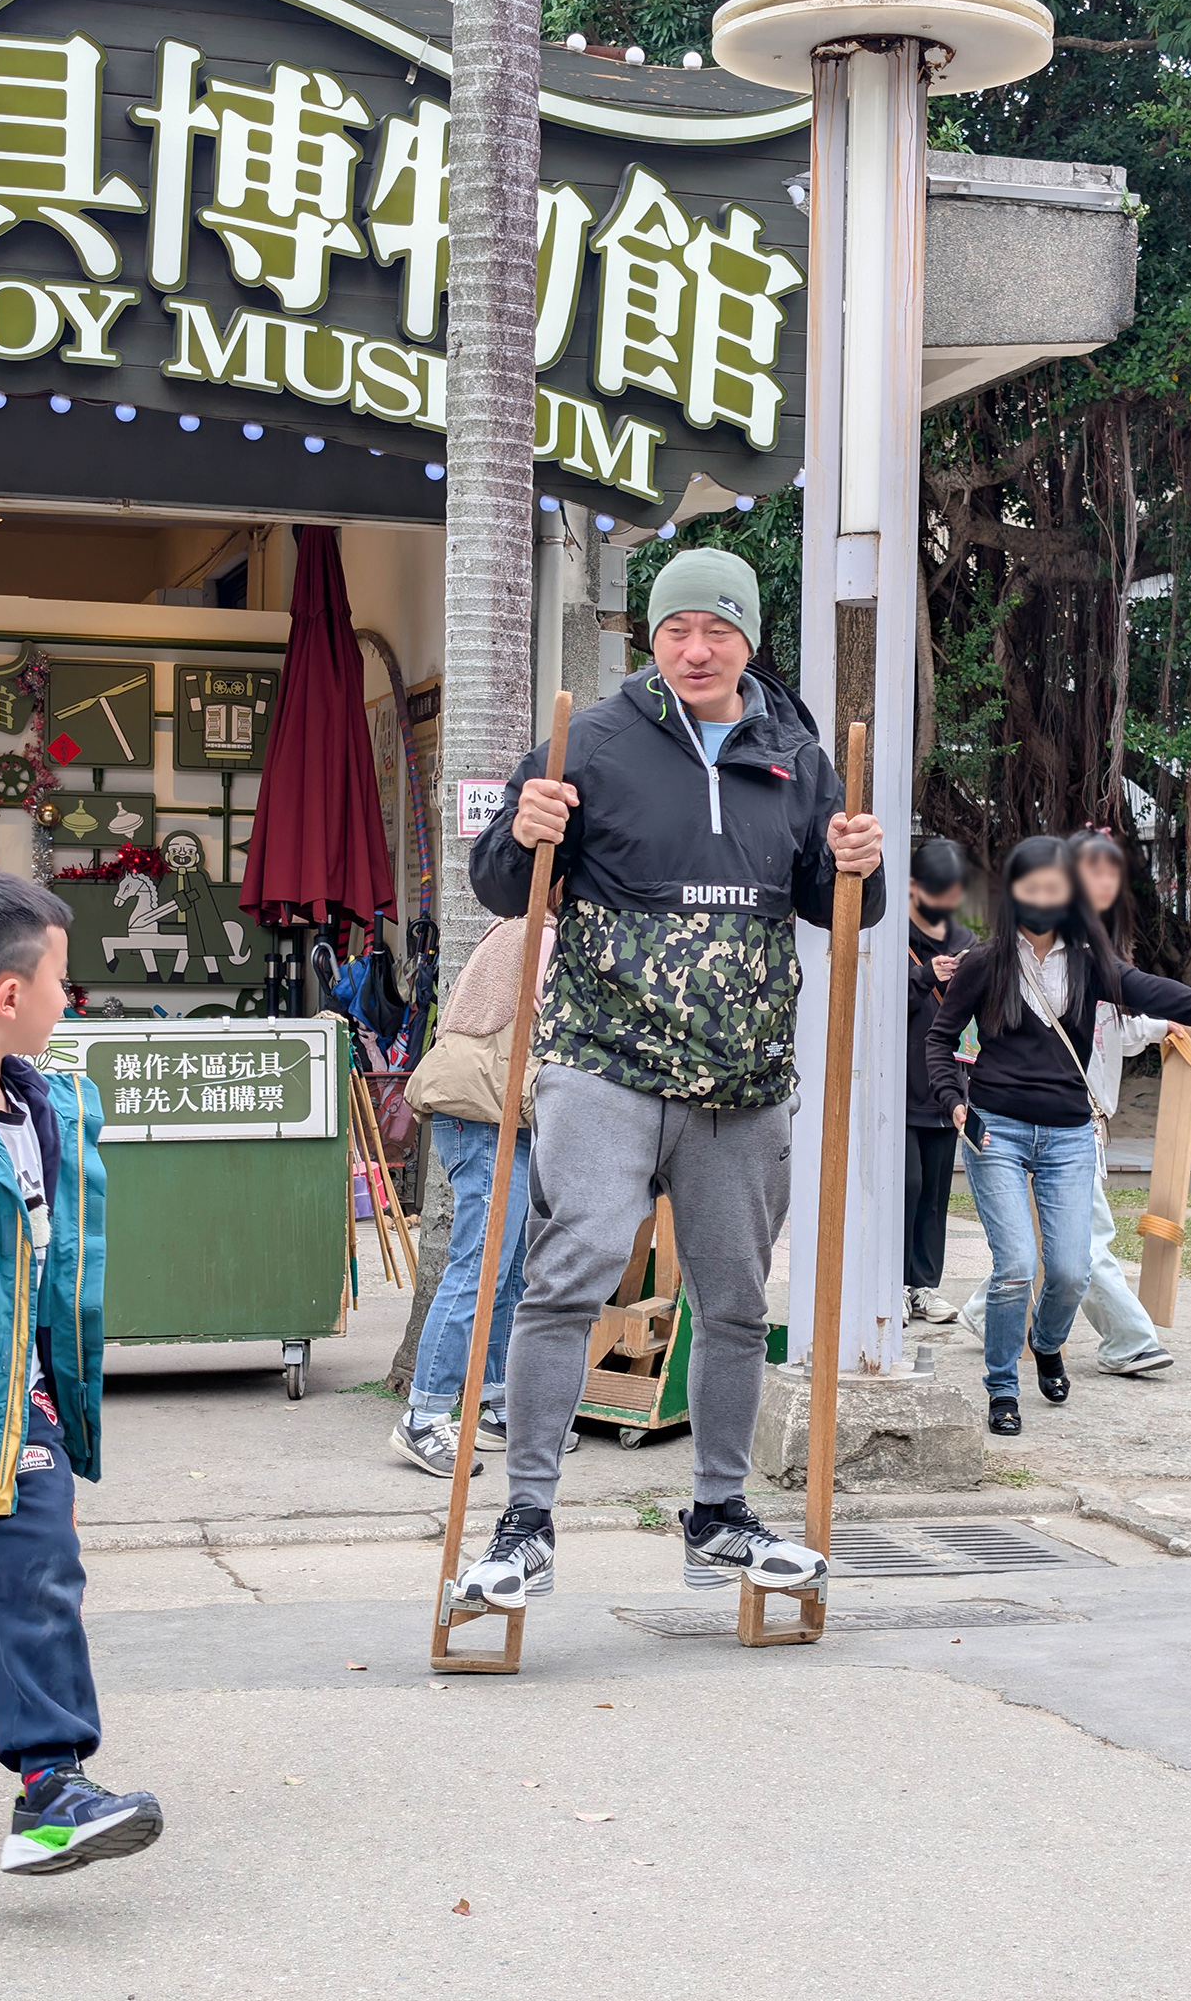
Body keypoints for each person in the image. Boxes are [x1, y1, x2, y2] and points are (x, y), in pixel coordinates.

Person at [459, 546, 885, 1605]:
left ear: (748, 640)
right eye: (676, 630)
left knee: (734, 1298)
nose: (697, 649)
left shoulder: (798, 757)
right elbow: (504, 888)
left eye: (718, 630)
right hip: (603, 1062)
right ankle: (524, 1523)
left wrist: (860, 869)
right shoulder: (590, 742)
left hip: (742, 1081)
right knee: (571, 1273)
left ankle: (720, 1515)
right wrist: (521, 832)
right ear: (651, 639)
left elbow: (837, 908)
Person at [0, 867, 162, 1875]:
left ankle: (51, 1792)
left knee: (40, 1577)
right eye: (61, 980)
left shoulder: (49, 1105)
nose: (71, 1001)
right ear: (9, 993)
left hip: (12, 1409)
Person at [925, 835, 1191, 1436]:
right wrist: (953, 1101)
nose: (1042, 899)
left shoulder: (1090, 963)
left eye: (1054, 888)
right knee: (1015, 1266)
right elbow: (940, 1039)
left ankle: (1047, 1341)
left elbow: (1158, 993)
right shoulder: (986, 961)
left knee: (1070, 1272)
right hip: (997, 1129)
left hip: (1067, 1135)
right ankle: (1002, 1386)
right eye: (1031, 888)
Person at [958, 828, 1181, 1377]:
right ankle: (1128, 1339)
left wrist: (1161, 1025)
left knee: (1054, 1251)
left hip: (1079, 1118)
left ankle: (986, 1312)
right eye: (1090, 870)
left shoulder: (1097, 949)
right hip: (1034, 1117)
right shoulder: (1018, 953)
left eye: (1111, 871)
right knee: (1080, 1244)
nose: (1103, 881)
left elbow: (1116, 1028)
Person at [391, 904, 577, 1474]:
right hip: (483, 1115)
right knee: (480, 1266)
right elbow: (569, 1023)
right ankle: (424, 1417)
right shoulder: (540, 936)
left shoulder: (518, 929)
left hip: (496, 1113)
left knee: (510, 1266)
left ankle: (495, 1404)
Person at [904, 838, 976, 1324]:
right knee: (905, 1186)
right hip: (898, 1090)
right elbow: (876, 1006)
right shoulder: (890, 937)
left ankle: (924, 1287)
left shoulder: (966, 941)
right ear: (914, 886)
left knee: (933, 1195)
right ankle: (890, 1286)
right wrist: (924, 976)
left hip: (947, 1088)